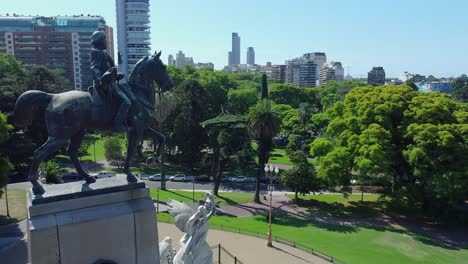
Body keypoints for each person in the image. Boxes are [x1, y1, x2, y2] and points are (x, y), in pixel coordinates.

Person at [90, 31, 130, 132]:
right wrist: (100, 80)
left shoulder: (103, 53)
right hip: (106, 85)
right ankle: (117, 124)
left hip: (110, 83)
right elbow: (95, 68)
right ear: (99, 41)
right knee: (126, 101)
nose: (106, 42)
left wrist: (116, 76)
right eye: (104, 40)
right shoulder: (97, 53)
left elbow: (107, 70)